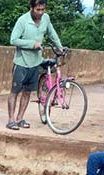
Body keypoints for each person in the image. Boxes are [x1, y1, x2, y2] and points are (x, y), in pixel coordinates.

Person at [6, 0, 63, 131]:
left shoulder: (46, 18)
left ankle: (20, 118)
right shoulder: (23, 20)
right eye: (38, 10)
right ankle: (11, 119)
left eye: (43, 9)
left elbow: (52, 34)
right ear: (31, 8)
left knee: (27, 92)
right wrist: (32, 44)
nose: (40, 12)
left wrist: (59, 46)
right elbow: (13, 39)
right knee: (15, 91)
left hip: (35, 62)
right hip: (21, 62)